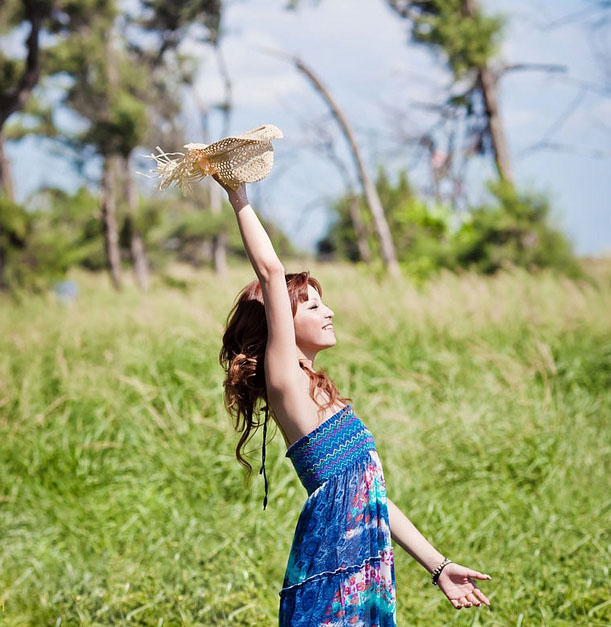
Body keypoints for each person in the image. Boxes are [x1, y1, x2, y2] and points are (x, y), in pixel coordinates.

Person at [215, 177, 492, 625]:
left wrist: (438, 565)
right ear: (280, 323)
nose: (328, 312)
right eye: (311, 307)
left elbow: (372, 496)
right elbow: (269, 270)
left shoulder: (323, 393)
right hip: (333, 560)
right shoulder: (285, 379)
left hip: (366, 557)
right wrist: (238, 195)